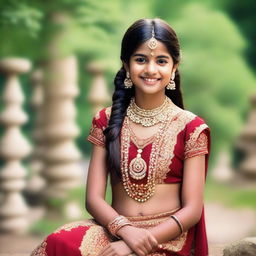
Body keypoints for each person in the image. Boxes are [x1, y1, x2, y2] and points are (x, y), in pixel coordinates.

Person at [31, 18, 211, 256]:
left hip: (167, 237)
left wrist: (134, 243)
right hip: (115, 229)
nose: (150, 69)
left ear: (174, 67)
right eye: (140, 59)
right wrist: (126, 232)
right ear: (126, 65)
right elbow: (94, 199)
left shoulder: (191, 127)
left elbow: (192, 210)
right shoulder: (106, 120)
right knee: (58, 242)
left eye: (161, 61)